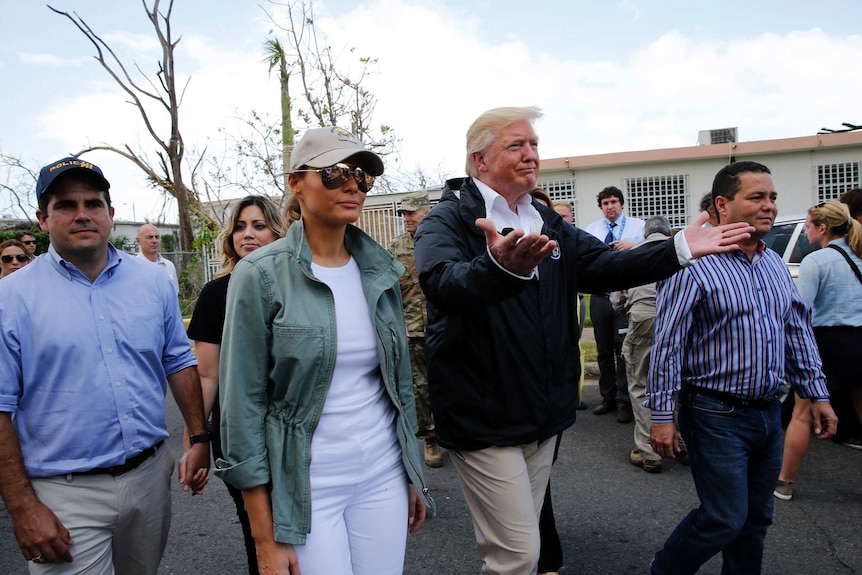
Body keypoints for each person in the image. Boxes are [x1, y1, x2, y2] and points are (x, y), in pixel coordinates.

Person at [414, 106, 754, 575]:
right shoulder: (448, 221)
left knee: (522, 545)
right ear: (481, 160)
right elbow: (442, 283)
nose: (532, 154)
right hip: (483, 417)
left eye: (534, 144)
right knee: (516, 556)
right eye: (517, 145)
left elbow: (603, 266)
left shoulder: (546, 222)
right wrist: (497, 268)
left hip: (543, 416)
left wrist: (678, 249)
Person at [216, 127, 431, 575]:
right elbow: (242, 408)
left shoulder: (381, 270)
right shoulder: (259, 275)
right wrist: (263, 537)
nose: (353, 184)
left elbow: (399, 384)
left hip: (382, 475)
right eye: (334, 173)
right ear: (296, 182)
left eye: (362, 176)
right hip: (306, 485)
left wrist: (410, 472)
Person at [0, 156, 210, 573]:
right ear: (43, 219)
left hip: (149, 478)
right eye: (66, 205)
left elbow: (179, 360)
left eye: (93, 203)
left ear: (110, 215)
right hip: (63, 492)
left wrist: (199, 437)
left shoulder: (151, 282)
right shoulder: (11, 297)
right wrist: (23, 507)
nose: (82, 215)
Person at [647, 161, 838, 575]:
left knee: (755, 522)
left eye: (772, 198)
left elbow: (796, 331)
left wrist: (817, 392)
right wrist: (661, 415)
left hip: (769, 413)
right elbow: (667, 344)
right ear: (722, 204)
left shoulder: (772, 264)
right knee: (723, 519)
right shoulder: (693, 264)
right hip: (714, 414)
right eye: (756, 197)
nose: (768, 206)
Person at [185, 195, 284, 574]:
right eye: (240, 227)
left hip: (296, 430)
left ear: (278, 232)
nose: (248, 235)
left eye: (259, 226)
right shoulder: (216, 294)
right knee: (260, 534)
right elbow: (207, 375)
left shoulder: (301, 287)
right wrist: (195, 441)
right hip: (240, 434)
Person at [774, 201, 862, 499]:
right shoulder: (860, 256)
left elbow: (800, 310)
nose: (807, 231)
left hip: (827, 341)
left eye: (809, 226)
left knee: (802, 412)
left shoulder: (817, 261)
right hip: (860, 339)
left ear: (823, 228)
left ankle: (784, 482)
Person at [611, 215, 673, 473]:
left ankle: (649, 452)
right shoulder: (679, 251)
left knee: (639, 383)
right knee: (674, 383)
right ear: (668, 234)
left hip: (643, 317)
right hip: (675, 318)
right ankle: (678, 443)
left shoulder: (633, 255)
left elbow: (616, 300)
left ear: (645, 235)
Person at [388, 189, 442, 468]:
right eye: (404, 213)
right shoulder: (395, 249)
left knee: (451, 383)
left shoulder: (441, 242)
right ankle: (430, 437)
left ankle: (457, 433)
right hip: (412, 330)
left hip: (445, 329)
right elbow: (387, 292)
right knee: (420, 387)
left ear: (426, 212)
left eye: (411, 212)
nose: (406, 218)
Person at [584, 186, 645, 423]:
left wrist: (633, 246)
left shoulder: (638, 228)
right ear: (601, 207)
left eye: (614, 202)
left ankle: (623, 400)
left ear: (621, 204)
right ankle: (606, 396)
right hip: (600, 297)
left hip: (625, 298)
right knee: (603, 350)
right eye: (606, 203)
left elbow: (652, 251)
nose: (610, 206)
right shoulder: (592, 230)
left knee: (624, 350)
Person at [137, 223, 180, 293]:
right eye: (150, 237)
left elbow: (174, 294)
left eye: (157, 237)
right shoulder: (133, 267)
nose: (154, 241)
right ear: (138, 241)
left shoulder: (169, 266)